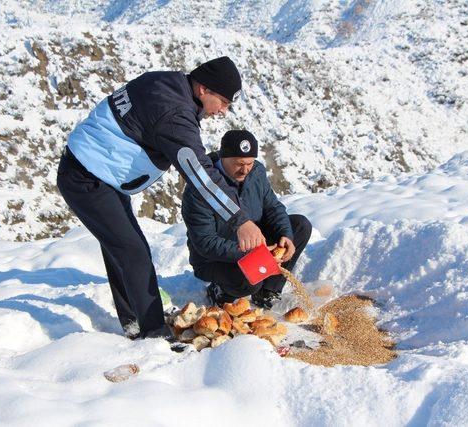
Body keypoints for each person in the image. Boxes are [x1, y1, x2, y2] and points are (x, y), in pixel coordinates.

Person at [56, 57, 267, 340]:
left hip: (96, 170)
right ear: (203, 89)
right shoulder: (175, 115)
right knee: (134, 252)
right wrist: (240, 220)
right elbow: (200, 175)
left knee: (122, 248)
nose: (224, 111)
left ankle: (135, 320)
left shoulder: (167, 81)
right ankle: (152, 332)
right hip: (88, 178)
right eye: (224, 102)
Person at [181, 129, 312, 309]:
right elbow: (205, 243)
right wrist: (253, 254)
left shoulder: (256, 172)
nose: (245, 170)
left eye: (249, 163)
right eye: (239, 163)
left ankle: (268, 291)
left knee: (300, 226)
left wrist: (286, 234)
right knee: (249, 279)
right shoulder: (200, 187)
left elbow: (272, 207)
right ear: (223, 157)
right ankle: (220, 292)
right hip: (215, 258)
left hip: (255, 244)